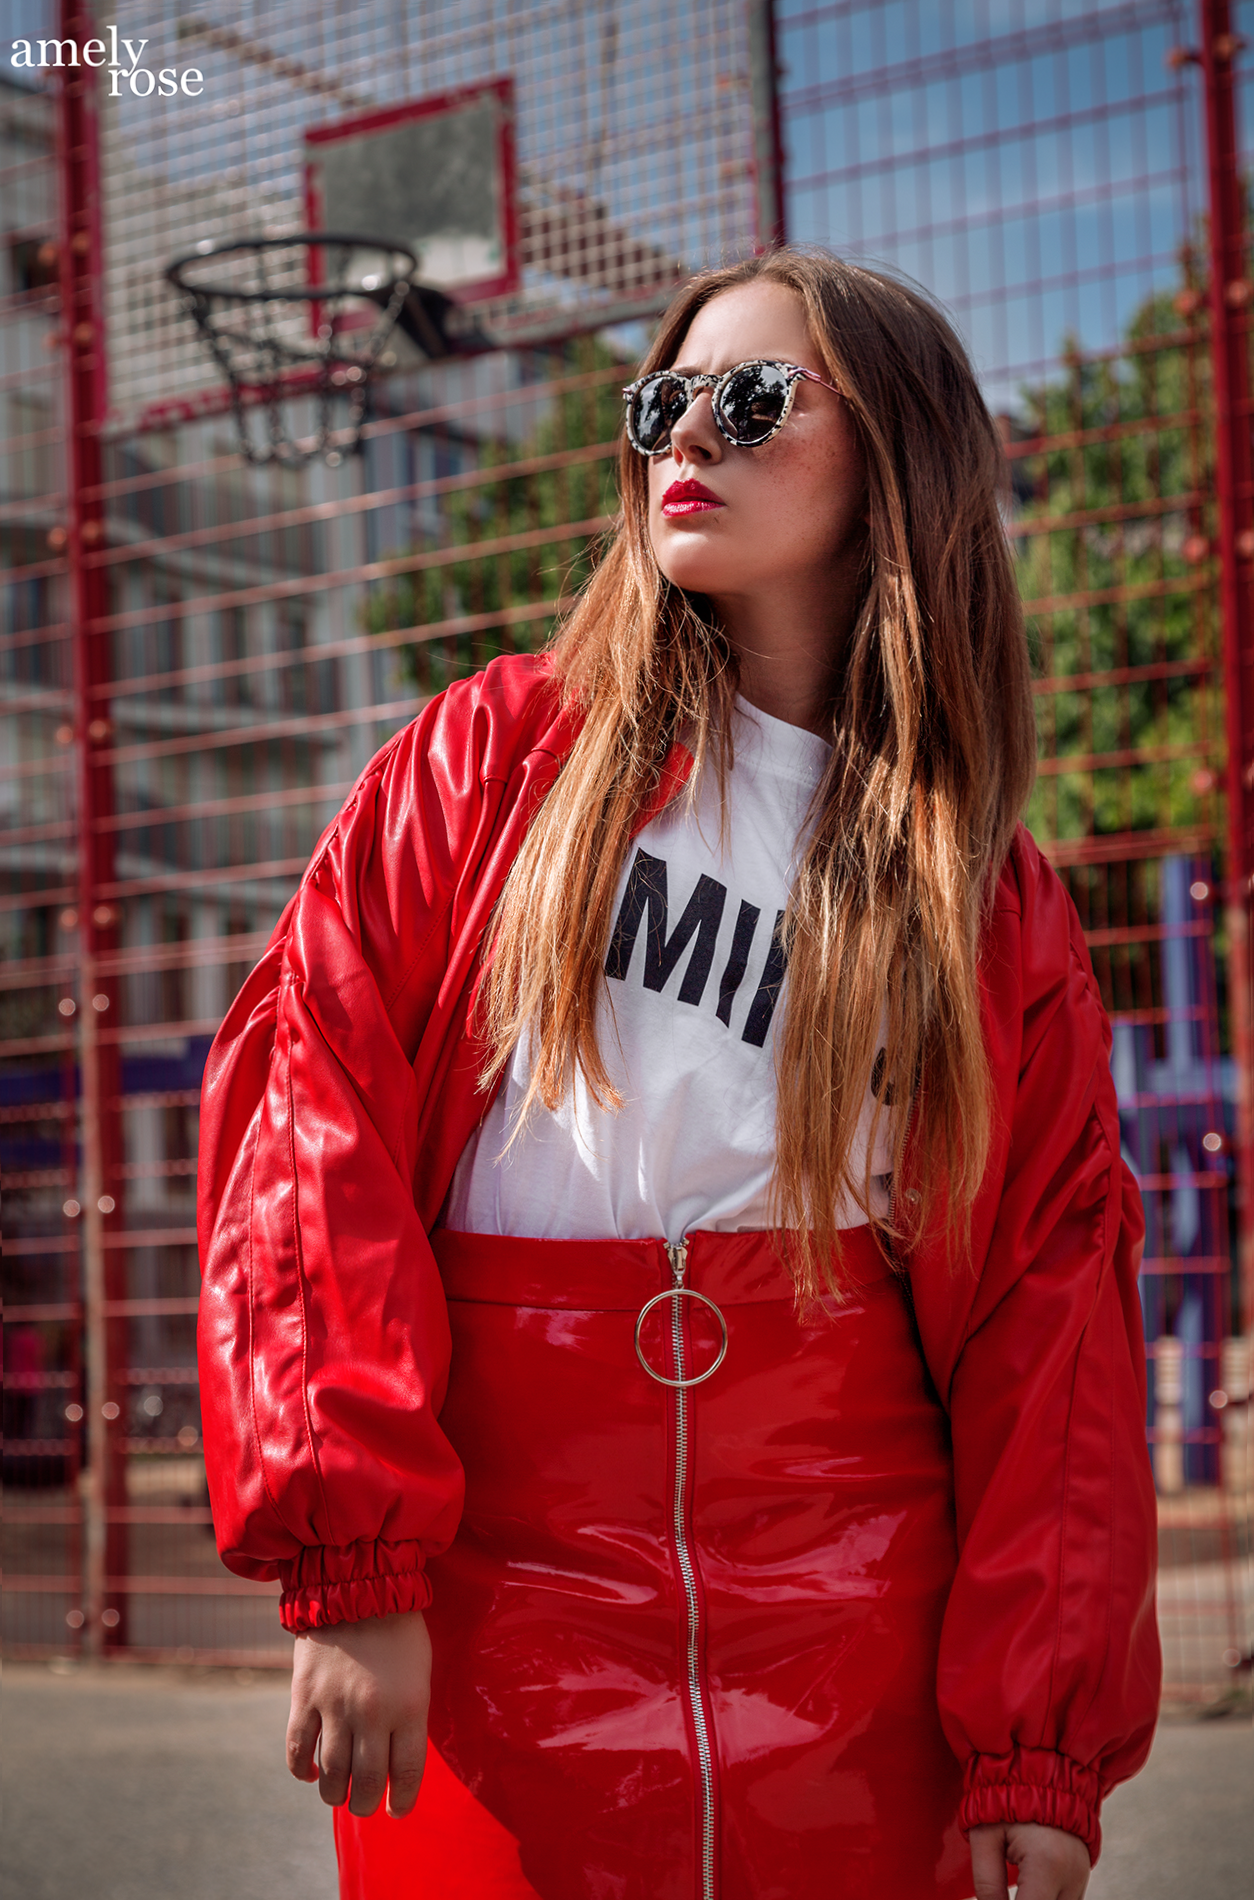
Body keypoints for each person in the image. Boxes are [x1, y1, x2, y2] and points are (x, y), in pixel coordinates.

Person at [196, 248, 1161, 1900]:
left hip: (861, 1597)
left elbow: (1048, 1321)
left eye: (754, 397)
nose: (684, 437)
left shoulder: (980, 892)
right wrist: (353, 1566)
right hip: (498, 1579)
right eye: (660, 403)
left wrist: (1035, 1742)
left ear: (898, 460)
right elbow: (308, 1126)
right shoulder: (490, 761)